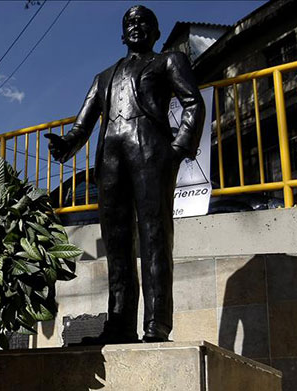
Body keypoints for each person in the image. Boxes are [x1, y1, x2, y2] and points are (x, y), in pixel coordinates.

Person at [45, 5, 205, 343]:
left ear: (156, 31)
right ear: (122, 33)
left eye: (143, 21)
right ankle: (119, 324)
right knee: (116, 246)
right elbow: (81, 126)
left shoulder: (167, 61)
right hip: (111, 162)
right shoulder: (103, 77)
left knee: (155, 240)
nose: (136, 26)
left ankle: (156, 323)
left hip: (151, 153)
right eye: (130, 22)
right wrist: (66, 145)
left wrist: (176, 150)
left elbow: (193, 103)